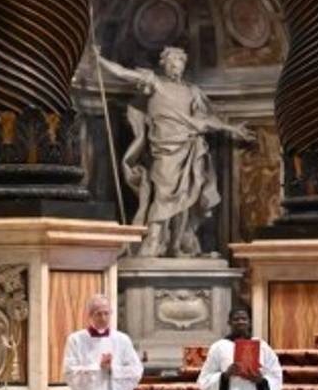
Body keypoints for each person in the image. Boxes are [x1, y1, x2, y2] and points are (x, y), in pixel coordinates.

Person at [98, 46, 253, 257]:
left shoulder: (192, 91)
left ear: (183, 65)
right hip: (165, 149)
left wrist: (231, 128)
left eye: (178, 63)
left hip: (189, 146)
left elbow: (205, 120)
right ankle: (153, 240)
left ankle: (176, 245)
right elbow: (123, 73)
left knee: (185, 198)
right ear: (164, 64)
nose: (175, 67)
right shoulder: (155, 82)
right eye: (171, 63)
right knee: (163, 194)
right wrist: (98, 60)